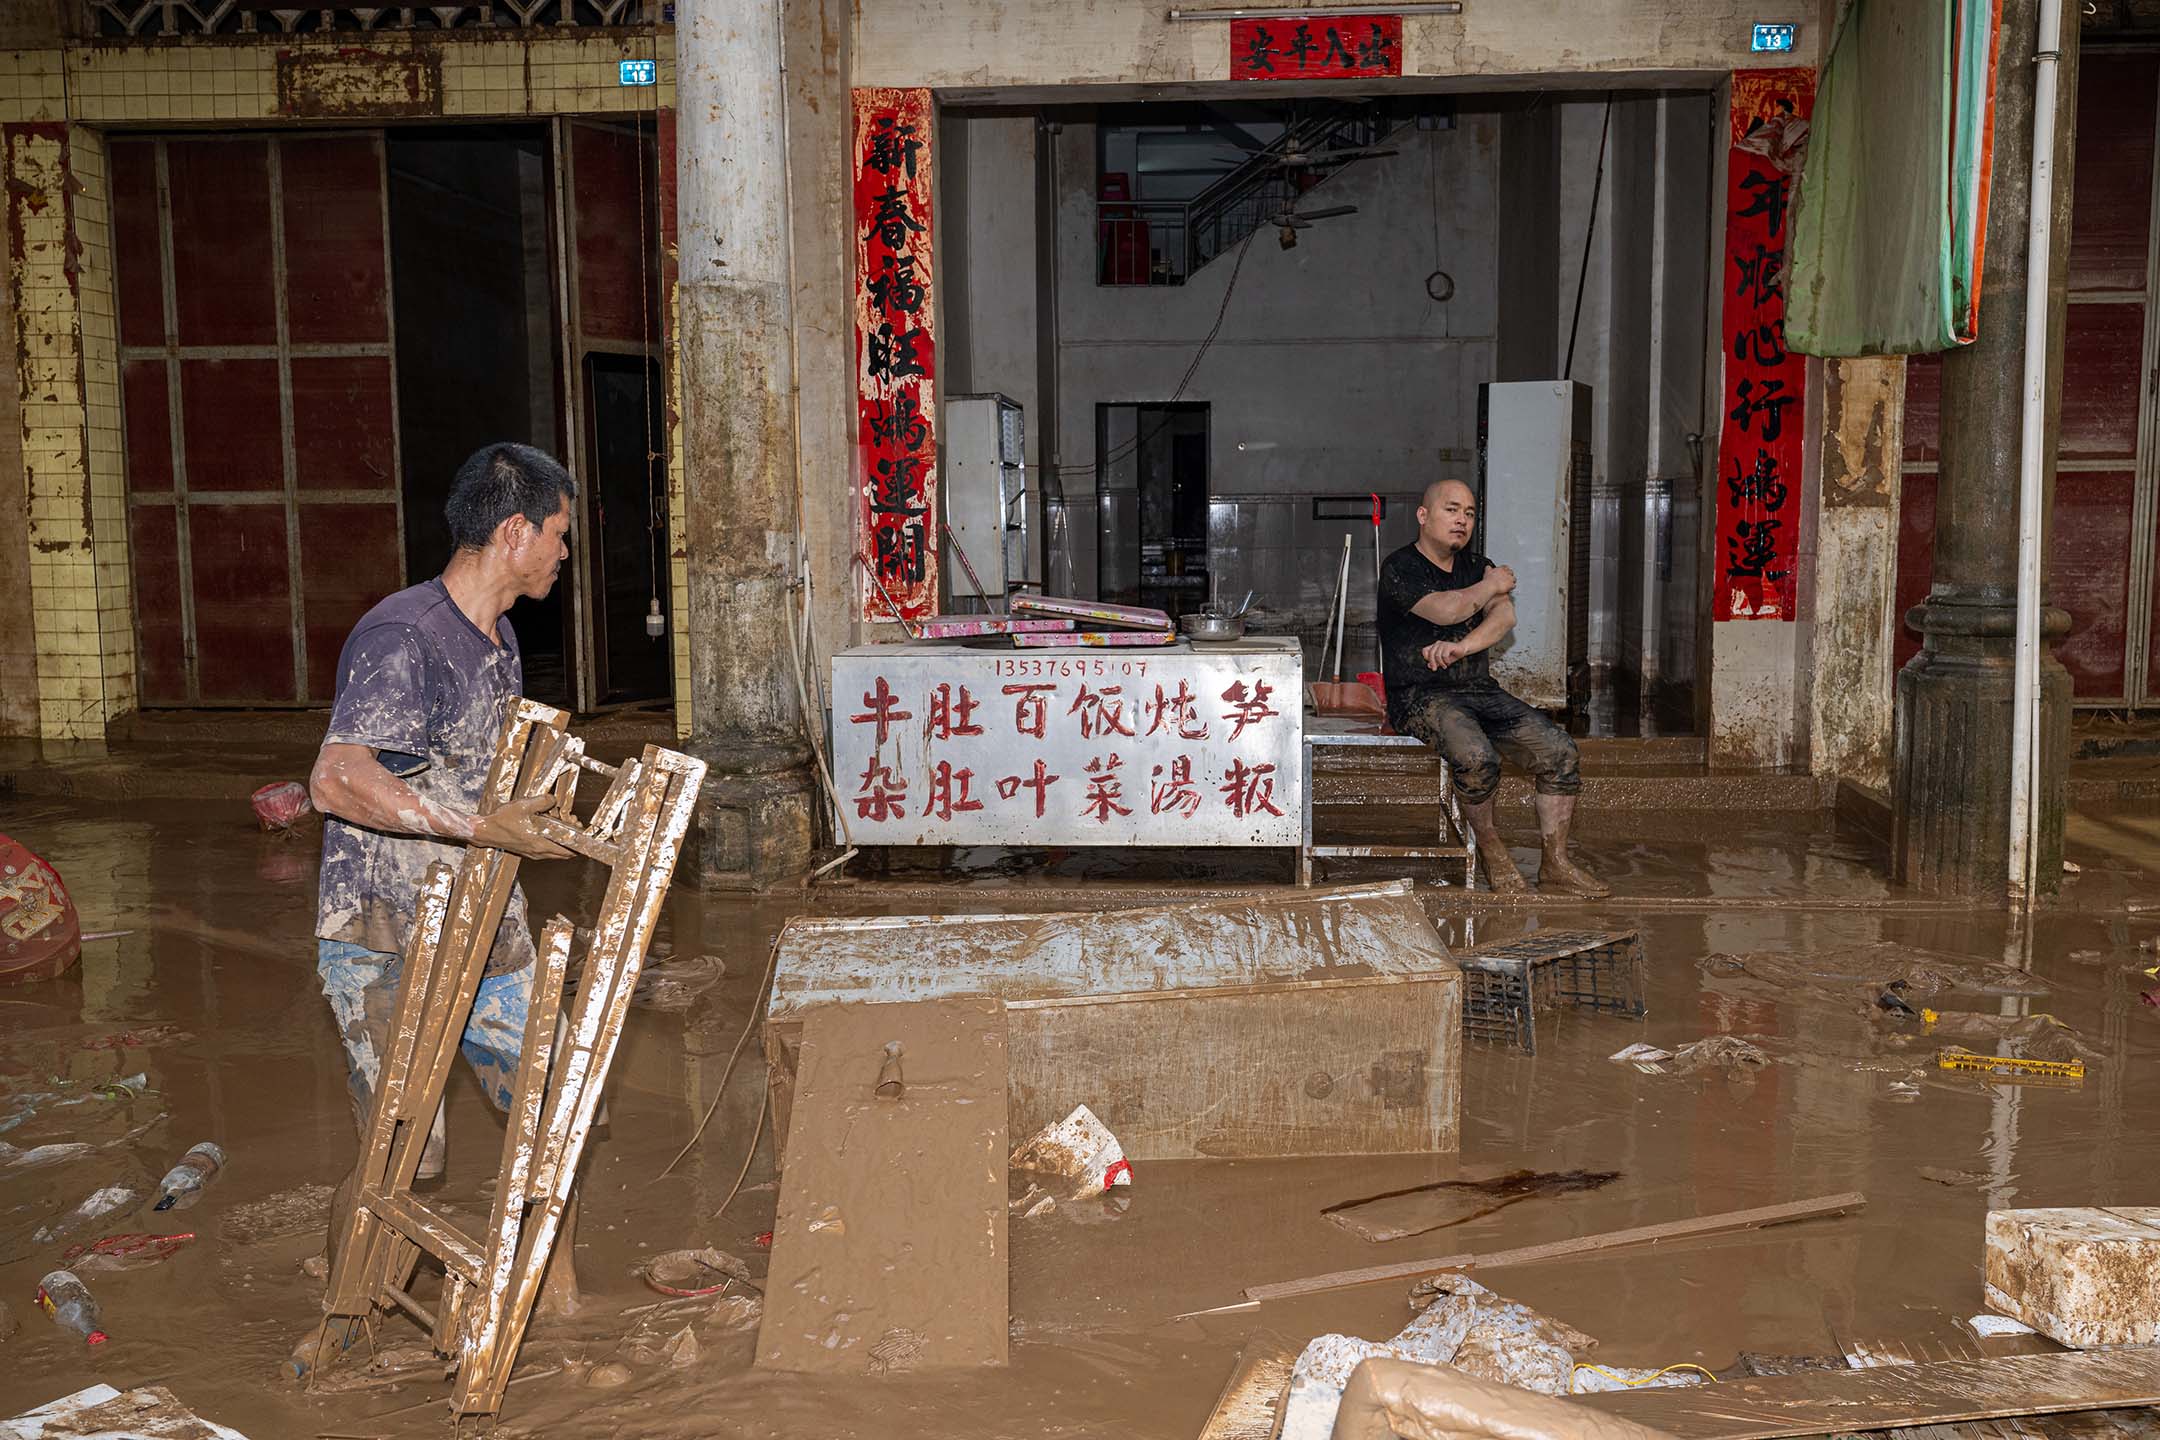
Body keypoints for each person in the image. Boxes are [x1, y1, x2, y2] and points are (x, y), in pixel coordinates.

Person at [306, 441, 582, 1315]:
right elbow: (337, 777)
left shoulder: (495, 636)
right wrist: (478, 827)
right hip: (388, 936)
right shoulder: (404, 636)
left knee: (555, 1106)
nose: (564, 555)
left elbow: (467, 772)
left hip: (485, 920)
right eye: (559, 534)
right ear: (514, 531)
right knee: (403, 1153)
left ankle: (564, 1308)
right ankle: (346, 1314)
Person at [1376, 478, 1610, 897]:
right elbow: (1447, 610)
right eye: (1451, 510)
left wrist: (1463, 645)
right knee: (1477, 757)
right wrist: (1492, 584)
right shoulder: (1401, 567)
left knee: (1559, 751)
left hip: (1478, 690)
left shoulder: (1477, 565)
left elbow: (1504, 620)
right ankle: (1492, 851)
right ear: (1424, 516)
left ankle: (1556, 864)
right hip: (1418, 694)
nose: (1462, 520)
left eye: (1468, 513)